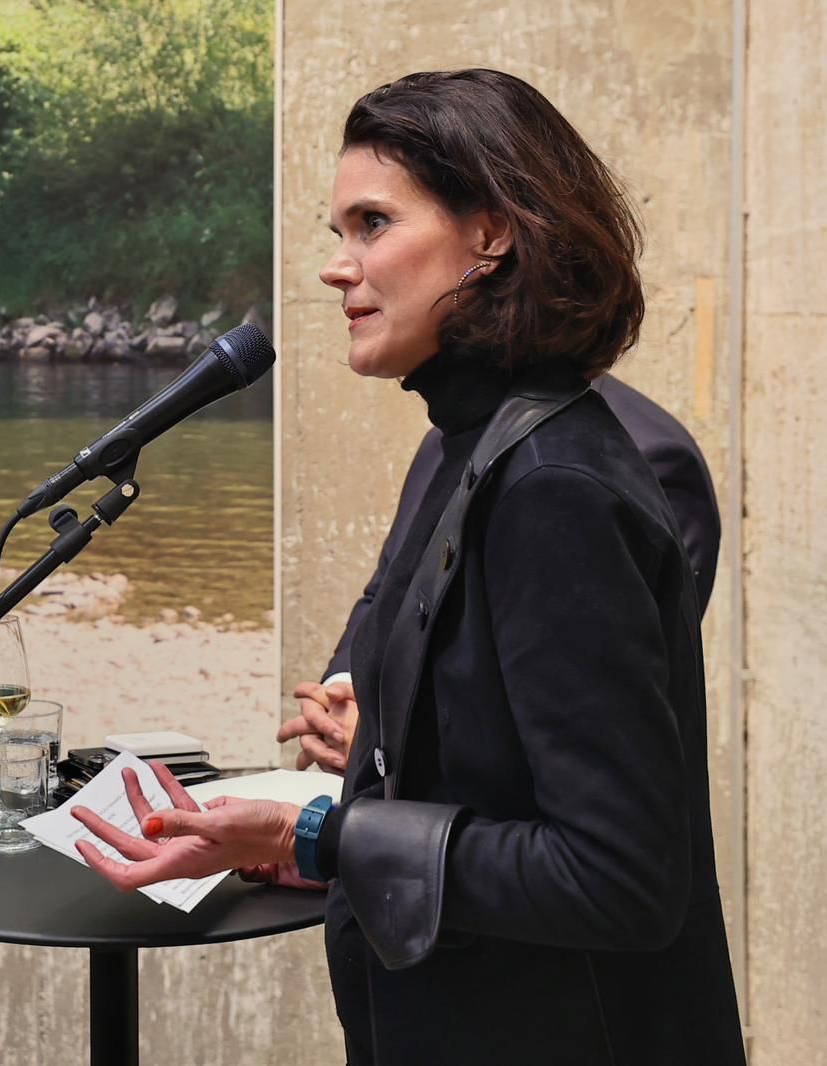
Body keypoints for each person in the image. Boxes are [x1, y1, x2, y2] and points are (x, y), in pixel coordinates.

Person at [71, 70, 745, 1064]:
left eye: (373, 224)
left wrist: (312, 835)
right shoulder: (474, 443)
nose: (337, 268)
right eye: (338, 230)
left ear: (491, 234)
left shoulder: (555, 484)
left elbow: (619, 876)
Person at [286, 371, 722, 775]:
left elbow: (587, 707)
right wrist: (346, 694)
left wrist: (380, 739)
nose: (339, 281)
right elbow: (388, 590)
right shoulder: (451, 434)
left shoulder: (645, 456)